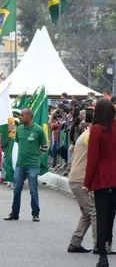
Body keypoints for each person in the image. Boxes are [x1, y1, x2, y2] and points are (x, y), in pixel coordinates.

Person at [84, 99, 116, 267]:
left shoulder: (96, 130)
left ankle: (102, 256)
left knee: (101, 216)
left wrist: (86, 183)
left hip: (102, 179)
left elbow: (93, 159)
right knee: (111, 215)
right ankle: (110, 243)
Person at [4, 108, 47, 222]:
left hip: (33, 165)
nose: (20, 117)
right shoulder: (19, 130)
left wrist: (37, 157)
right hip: (20, 165)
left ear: (29, 116)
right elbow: (18, 143)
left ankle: (35, 213)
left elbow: (44, 147)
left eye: (22, 115)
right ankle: (14, 213)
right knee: (17, 190)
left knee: (33, 190)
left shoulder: (39, 130)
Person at [67, 107, 99, 253]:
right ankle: (99, 244)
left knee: (87, 212)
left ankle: (75, 242)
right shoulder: (91, 135)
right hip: (80, 179)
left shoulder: (86, 133)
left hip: (75, 178)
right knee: (94, 212)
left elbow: (71, 150)